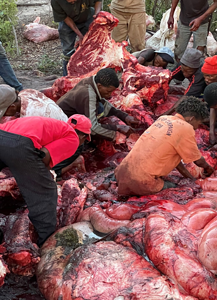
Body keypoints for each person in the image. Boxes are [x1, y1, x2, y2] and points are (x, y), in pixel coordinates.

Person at [0, 115, 92, 246]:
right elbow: (44, 155)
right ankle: (46, 241)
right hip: (18, 145)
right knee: (46, 191)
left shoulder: (55, 125)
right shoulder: (73, 137)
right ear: (83, 136)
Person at [115, 96, 214, 196]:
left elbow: (174, 160)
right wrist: (209, 169)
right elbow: (198, 160)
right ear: (191, 119)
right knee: (180, 190)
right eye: (198, 122)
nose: (197, 127)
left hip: (120, 174)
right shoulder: (186, 128)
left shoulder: (164, 118)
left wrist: (190, 179)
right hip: (142, 182)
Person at [57, 68, 139, 141]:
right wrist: (116, 132)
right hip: (61, 127)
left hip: (72, 116)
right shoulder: (87, 94)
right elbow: (93, 128)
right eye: (108, 91)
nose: (110, 95)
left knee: (100, 107)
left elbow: (105, 104)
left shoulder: (93, 82)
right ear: (99, 86)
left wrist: (124, 116)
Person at [51, 0, 102, 76]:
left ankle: (91, 74)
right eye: (70, 2)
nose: (72, 3)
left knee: (90, 46)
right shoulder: (56, 1)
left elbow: (98, 1)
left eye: (74, 1)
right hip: (68, 22)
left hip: (87, 17)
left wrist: (96, 15)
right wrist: (80, 36)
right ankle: (67, 76)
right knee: (67, 50)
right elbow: (66, 19)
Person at [0, 85, 67, 122]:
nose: (4, 115)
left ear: (12, 106)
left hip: (59, 134)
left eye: (4, 112)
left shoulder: (31, 116)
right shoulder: (26, 92)